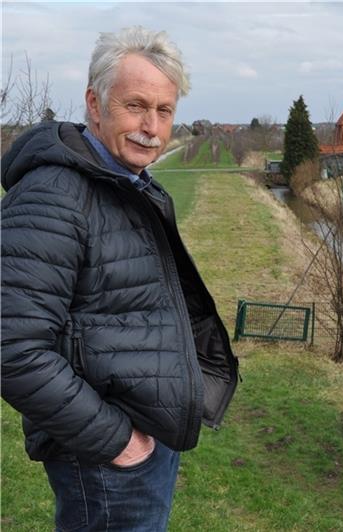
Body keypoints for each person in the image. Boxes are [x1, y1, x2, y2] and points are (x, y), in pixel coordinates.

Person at [1, 26, 239, 531]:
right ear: (95, 102)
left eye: (164, 111)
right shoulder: (54, 196)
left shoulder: (127, 185)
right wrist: (117, 441)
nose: (151, 127)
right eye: (135, 106)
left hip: (143, 441)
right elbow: (12, 347)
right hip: (104, 458)